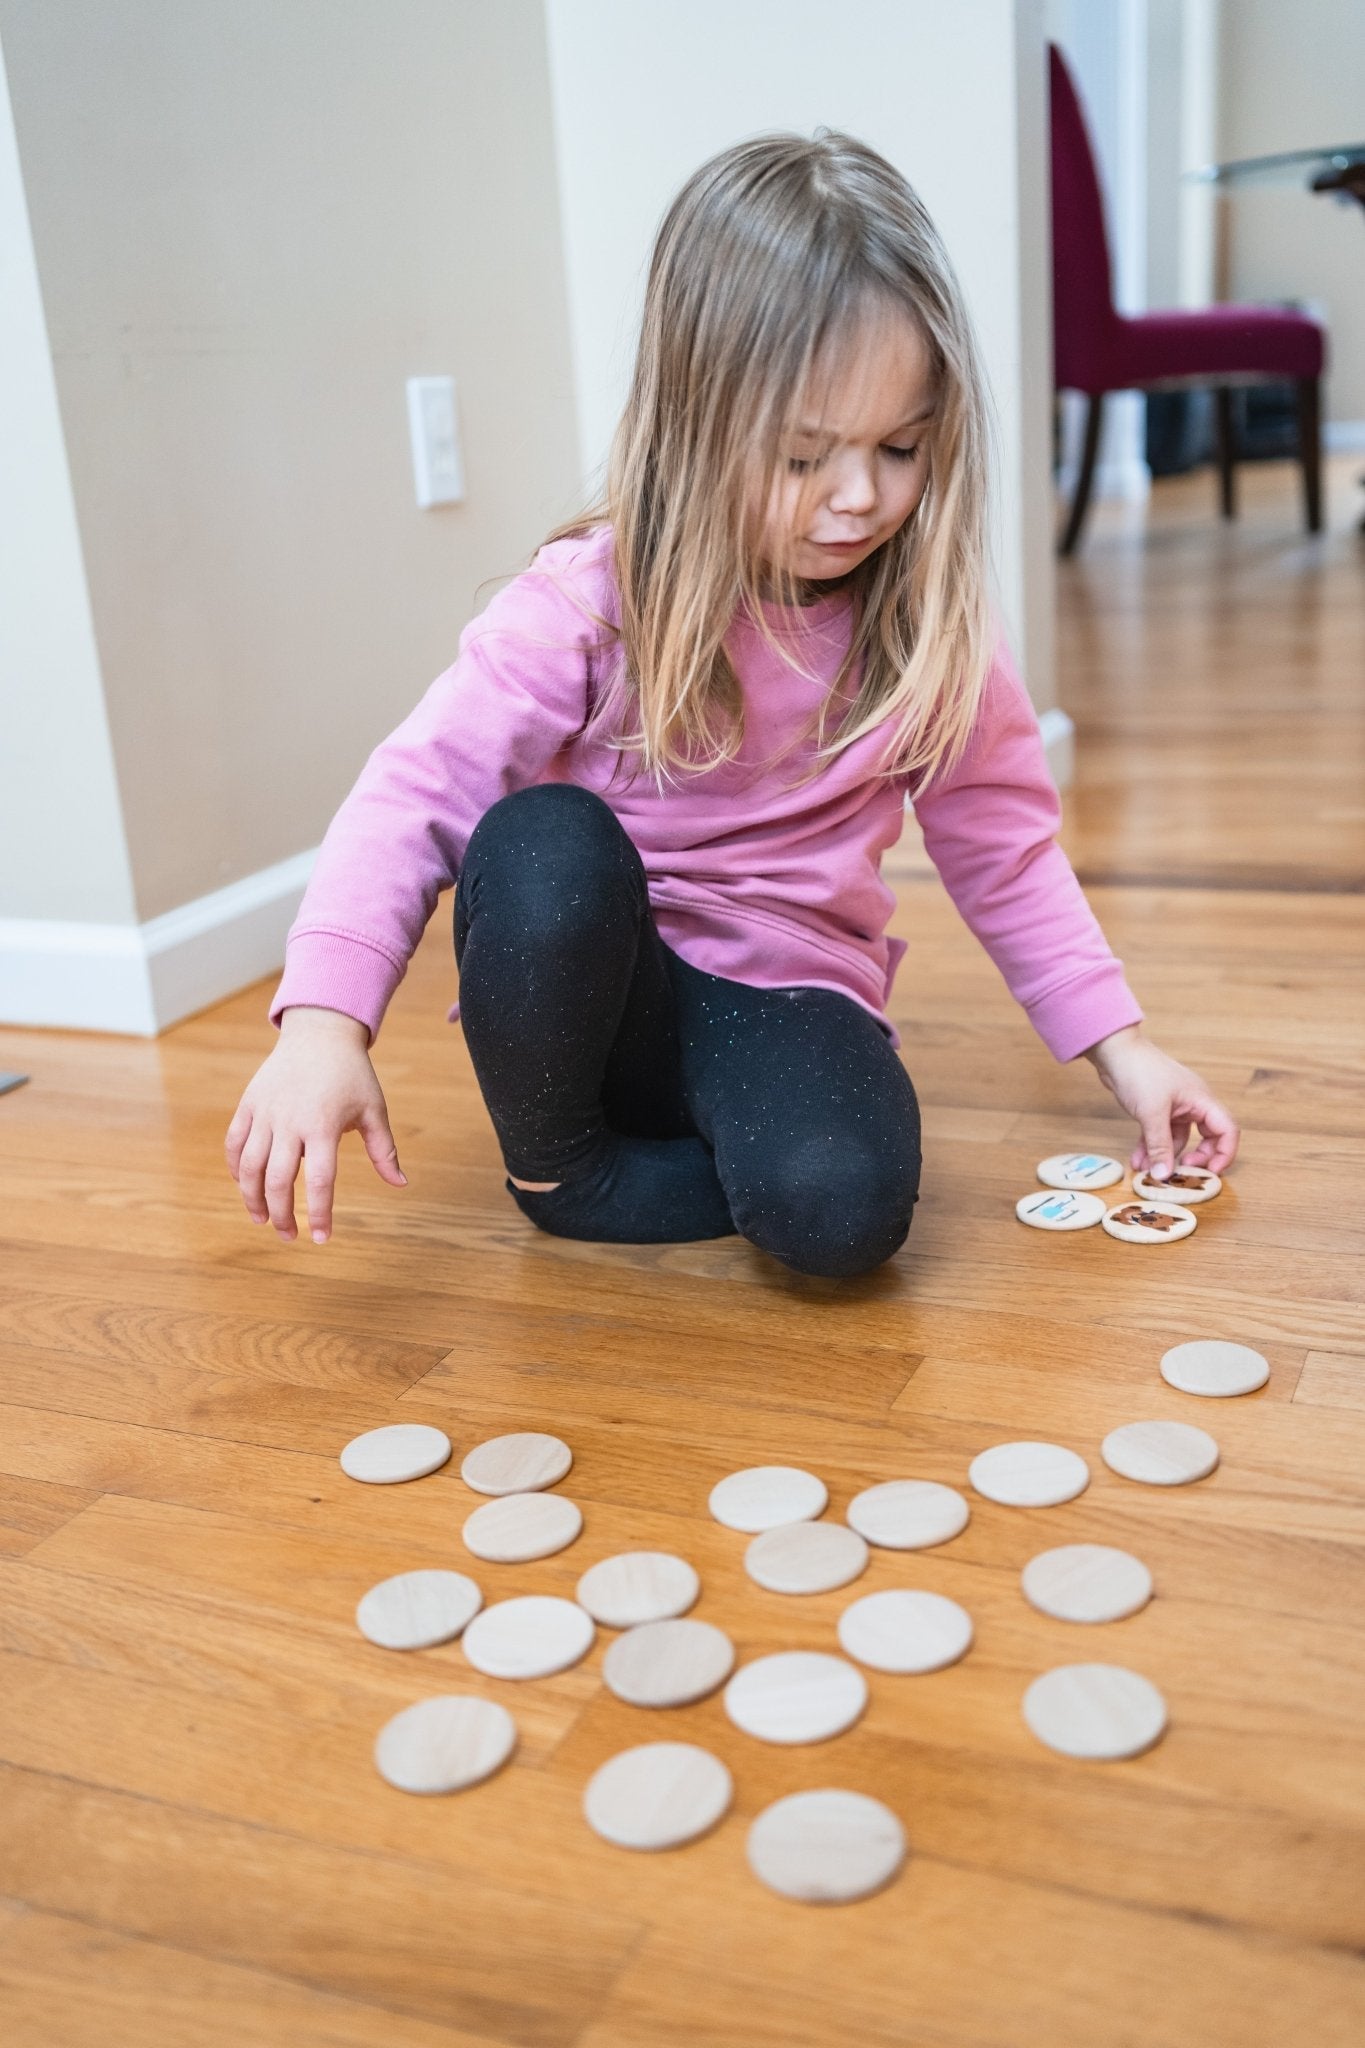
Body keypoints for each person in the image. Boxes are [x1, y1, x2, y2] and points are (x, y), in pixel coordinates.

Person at [226, 130, 1238, 1279]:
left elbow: (1005, 849)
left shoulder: (929, 623)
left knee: (846, 1212)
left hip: (788, 982)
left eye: (900, 447)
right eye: (806, 458)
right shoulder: (591, 600)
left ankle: (714, 1152)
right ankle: (562, 1168)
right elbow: (415, 793)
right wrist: (322, 1022)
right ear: (697, 427)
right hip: (598, 985)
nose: (860, 498)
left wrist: (1126, 1049)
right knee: (538, 844)